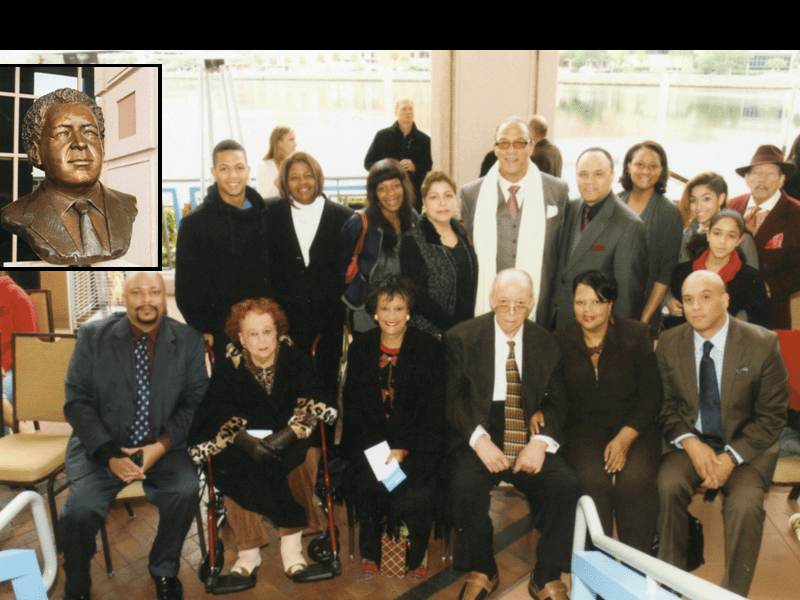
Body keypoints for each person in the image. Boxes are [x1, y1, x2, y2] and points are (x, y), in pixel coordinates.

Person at [60, 272, 208, 600]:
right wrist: (109, 454)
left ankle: (164, 568)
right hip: (101, 447)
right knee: (78, 510)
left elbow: (196, 402)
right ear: (123, 297)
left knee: (185, 489)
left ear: (164, 297)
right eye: (136, 293)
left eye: (153, 292)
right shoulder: (92, 336)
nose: (145, 300)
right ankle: (77, 578)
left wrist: (161, 446)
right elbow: (76, 401)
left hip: (163, 445)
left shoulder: (189, 341)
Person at [444, 268, 580, 600]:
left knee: (565, 485)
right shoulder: (460, 337)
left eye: (520, 304)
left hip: (526, 425)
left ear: (532, 303)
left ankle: (546, 574)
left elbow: (557, 399)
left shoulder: (548, 342)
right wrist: (479, 440)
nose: (510, 312)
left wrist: (540, 441)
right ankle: (483, 568)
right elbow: (453, 399)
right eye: (503, 302)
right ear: (491, 299)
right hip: (480, 424)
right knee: (463, 482)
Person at [656, 270, 789, 597]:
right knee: (668, 485)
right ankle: (668, 582)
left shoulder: (762, 342)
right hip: (690, 440)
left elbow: (772, 416)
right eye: (688, 300)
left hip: (747, 447)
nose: (696, 307)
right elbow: (664, 406)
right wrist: (691, 443)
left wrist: (731, 457)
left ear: (725, 300)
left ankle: (733, 592)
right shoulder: (670, 342)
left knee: (744, 504)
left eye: (705, 297)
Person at [189, 298, 336, 580]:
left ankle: (291, 547)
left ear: (278, 332)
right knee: (227, 463)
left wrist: (283, 438)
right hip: (246, 442)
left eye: (267, 331)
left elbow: (314, 403)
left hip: (292, 437)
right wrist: (245, 442)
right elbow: (216, 412)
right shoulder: (227, 370)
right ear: (242, 338)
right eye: (253, 334)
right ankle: (249, 550)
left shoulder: (298, 360)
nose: (262, 340)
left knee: (304, 458)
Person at [340, 274, 445, 581]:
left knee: (417, 490)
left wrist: (402, 448)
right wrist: (381, 450)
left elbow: (433, 409)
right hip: (371, 446)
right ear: (374, 312)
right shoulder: (361, 347)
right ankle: (371, 550)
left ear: (409, 312)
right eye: (385, 309)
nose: (391, 317)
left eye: (399, 309)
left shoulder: (428, 348)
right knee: (372, 482)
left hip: (416, 444)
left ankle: (416, 552)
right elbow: (354, 407)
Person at [552, 270, 662, 554]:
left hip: (635, 424)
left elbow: (652, 396)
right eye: (580, 303)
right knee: (591, 482)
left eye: (597, 302)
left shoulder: (636, 334)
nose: (587, 311)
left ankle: (636, 569)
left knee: (635, 482)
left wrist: (624, 439)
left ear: (610, 304)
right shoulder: (560, 340)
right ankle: (598, 569)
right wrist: (541, 410)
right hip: (585, 427)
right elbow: (554, 393)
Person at [1, 88, 137, 265]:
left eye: (90, 133)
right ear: (36, 152)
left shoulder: (126, 205)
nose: (80, 143)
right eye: (63, 134)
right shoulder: (15, 214)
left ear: (102, 146)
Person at [459, 117, 568, 324]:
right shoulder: (471, 194)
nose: (511, 150)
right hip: (489, 304)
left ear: (531, 147)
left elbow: (561, 251)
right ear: (495, 148)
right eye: (504, 143)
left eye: (520, 143)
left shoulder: (557, 190)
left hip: (540, 308)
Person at [175, 139, 271, 364]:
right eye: (224, 169)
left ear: (248, 171)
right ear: (214, 172)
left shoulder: (266, 216)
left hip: (266, 326)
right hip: (223, 330)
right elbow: (186, 288)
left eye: (239, 167)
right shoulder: (195, 224)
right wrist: (203, 328)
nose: (233, 176)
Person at [266, 151, 353, 391]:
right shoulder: (269, 213)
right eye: (294, 177)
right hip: (284, 320)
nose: (302, 183)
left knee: (325, 385)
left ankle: (323, 429)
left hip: (328, 321)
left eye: (308, 176)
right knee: (287, 386)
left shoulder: (344, 218)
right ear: (285, 182)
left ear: (318, 178)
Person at [549, 147, 648, 330]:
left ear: (612, 176)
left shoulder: (629, 225)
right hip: (557, 325)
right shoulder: (570, 208)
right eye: (583, 174)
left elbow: (626, 300)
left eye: (598, 174)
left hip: (594, 332)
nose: (589, 182)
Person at [341, 158, 417, 334]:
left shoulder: (413, 219)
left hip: (404, 313)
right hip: (368, 316)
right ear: (374, 193)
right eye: (382, 188)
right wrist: (359, 301)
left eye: (396, 185)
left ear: (404, 187)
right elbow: (340, 269)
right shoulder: (359, 224)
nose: (391, 193)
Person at [727, 144, 800, 329]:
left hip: (771, 315)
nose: (762, 180)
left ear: (782, 179)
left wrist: (767, 288)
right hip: (728, 311)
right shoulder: (732, 206)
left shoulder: (796, 214)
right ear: (747, 178)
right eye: (757, 173)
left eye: (770, 174)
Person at [399, 171, 478, 336]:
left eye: (448, 196)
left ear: (456, 199)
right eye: (434, 197)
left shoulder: (464, 234)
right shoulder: (413, 241)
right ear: (424, 202)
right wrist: (453, 328)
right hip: (430, 335)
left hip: (467, 331)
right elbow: (418, 297)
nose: (442, 203)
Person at [664, 209, 769, 329]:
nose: (722, 241)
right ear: (708, 235)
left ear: (739, 241)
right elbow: (672, 322)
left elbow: (760, 326)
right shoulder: (682, 272)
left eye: (731, 236)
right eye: (717, 233)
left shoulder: (751, 278)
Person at [618, 140, 683, 334]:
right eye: (639, 164)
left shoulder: (669, 213)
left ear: (662, 170)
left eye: (653, 166)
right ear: (629, 166)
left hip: (643, 310)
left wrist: (643, 321)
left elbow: (665, 273)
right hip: (607, 309)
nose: (646, 171)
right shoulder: (613, 203)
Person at [364, 97, 432, 212]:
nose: (408, 112)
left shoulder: (424, 140)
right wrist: (389, 167)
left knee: (411, 227)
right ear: (396, 112)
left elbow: (429, 165)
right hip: (386, 195)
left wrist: (414, 167)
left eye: (410, 109)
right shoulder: (382, 136)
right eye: (404, 109)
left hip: (413, 196)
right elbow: (368, 163)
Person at [676, 172, 758, 265]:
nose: (698, 207)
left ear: (721, 199)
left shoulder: (742, 239)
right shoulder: (684, 233)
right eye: (693, 200)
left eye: (706, 199)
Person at [0, 272, 38, 435]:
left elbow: (27, 345)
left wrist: (2, 364)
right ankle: (21, 428)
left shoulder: (16, 296)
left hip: (18, 368)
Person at [257, 126, 296, 198]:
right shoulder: (264, 165)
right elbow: (264, 198)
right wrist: (278, 181)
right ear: (279, 143)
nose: (295, 144)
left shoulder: (296, 164)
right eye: (291, 140)